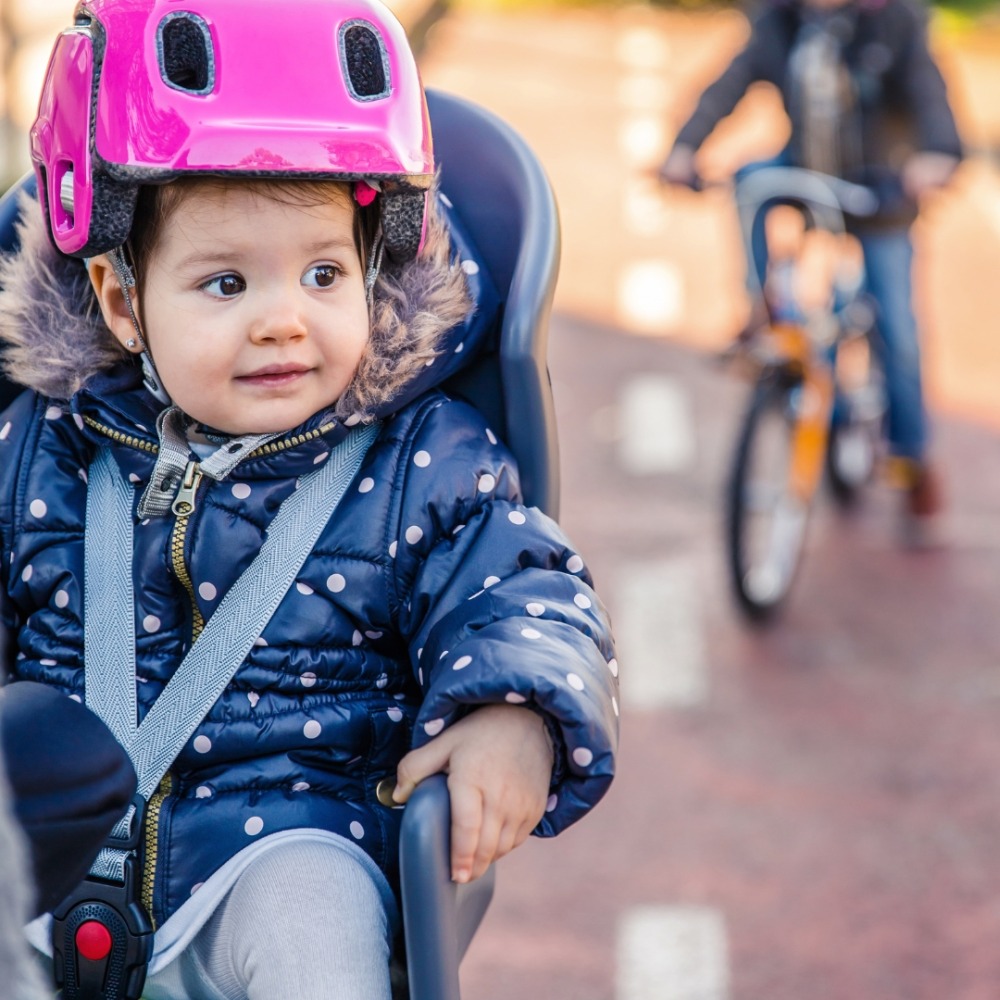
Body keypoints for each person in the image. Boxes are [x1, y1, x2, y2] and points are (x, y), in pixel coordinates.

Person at [0, 1, 619, 997]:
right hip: (50, 859)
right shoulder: (42, 441)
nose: (284, 320)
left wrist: (516, 708)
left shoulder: (425, 457)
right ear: (122, 302)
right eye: (225, 283)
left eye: (324, 272)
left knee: (311, 909)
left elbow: (518, 584)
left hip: (286, 837)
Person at [658, 0, 963, 529]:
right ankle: (763, 310)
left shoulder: (894, 20)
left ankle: (912, 455)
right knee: (751, 180)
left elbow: (930, 97)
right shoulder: (779, 20)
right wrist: (685, 148)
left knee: (897, 326)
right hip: (806, 167)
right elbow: (726, 87)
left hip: (880, 187)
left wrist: (935, 155)